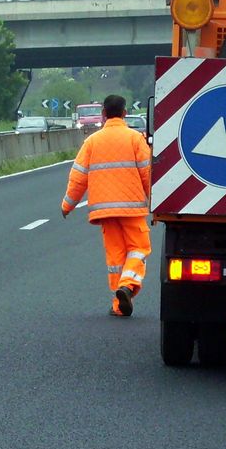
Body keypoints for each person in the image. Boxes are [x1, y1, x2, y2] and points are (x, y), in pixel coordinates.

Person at [60, 94, 152, 317]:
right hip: (131, 208)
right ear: (124, 113)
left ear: (103, 114)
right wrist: (156, 202)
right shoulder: (135, 138)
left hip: (104, 210)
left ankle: (119, 305)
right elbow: (147, 172)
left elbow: (78, 176)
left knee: (116, 256)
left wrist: (68, 205)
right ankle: (128, 285)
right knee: (139, 249)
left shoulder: (92, 141)